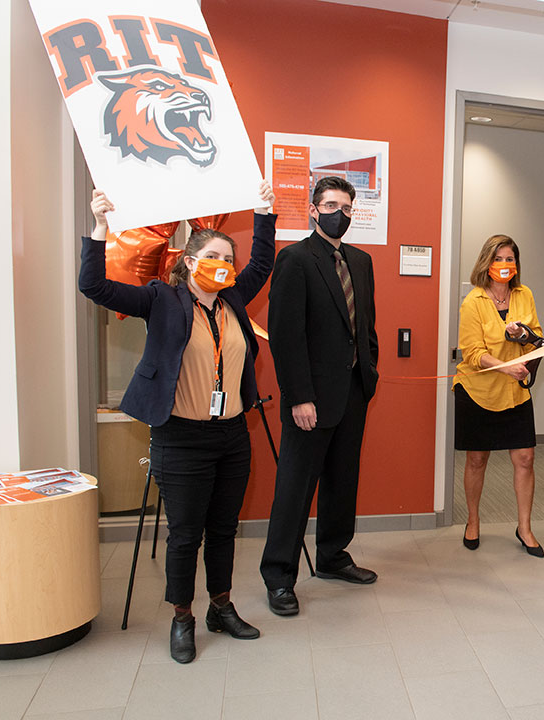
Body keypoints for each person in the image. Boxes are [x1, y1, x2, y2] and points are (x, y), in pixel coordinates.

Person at [79, 182, 277, 664]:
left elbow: (262, 264)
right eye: (212, 256)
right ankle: (182, 617)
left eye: (227, 258)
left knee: (224, 528)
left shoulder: (232, 300)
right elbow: (95, 287)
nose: (223, 265)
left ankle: (221, 607)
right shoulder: (161, 299)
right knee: (186, 533)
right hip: (181, 436)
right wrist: (100, 230)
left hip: (231, 434)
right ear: (189, 261)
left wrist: (263, 213)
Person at [260, 176, 379, 617]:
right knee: (295, 488)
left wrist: (371, 368)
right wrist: (298, 397)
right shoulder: (294, 259)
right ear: (313, 210)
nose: (339, 214)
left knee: (342, 481)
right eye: (331, 205)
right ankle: (278, 577)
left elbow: (365, 325)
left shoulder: (362, 262)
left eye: (347, 207)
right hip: (310, 399)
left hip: (353, 392)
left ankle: (332, 556)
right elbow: (285, 337)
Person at [454, 234, 544, 557]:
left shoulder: (524, 295)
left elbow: (537, 339)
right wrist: (505, 367)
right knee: (477, 459)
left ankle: (525, 528)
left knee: (525, 458)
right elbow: (473, 352)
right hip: (477, 392)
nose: (505, 265)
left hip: (515, 392)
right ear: (486, 263)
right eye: (499, 259)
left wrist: (524, 336)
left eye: (510, 259)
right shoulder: (473, 302)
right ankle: (473, 521)